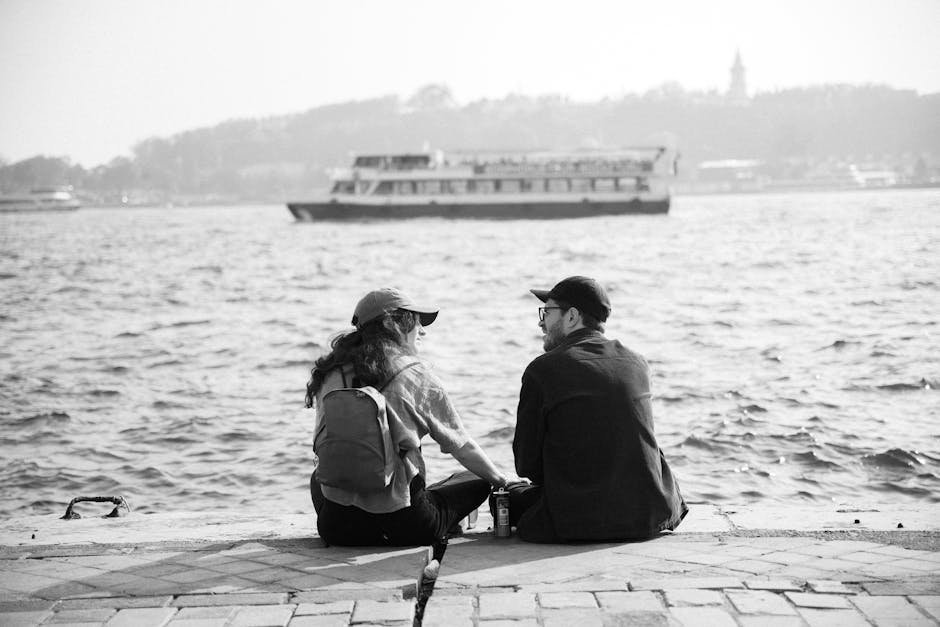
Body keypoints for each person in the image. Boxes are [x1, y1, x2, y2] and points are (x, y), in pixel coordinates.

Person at [306, 287, 508, 546]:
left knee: (317, 475)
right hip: (410, 526)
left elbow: (320, 445)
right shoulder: (415, 374)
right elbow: (463, 446)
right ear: (397, 325)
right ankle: (450, 517)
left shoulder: (331, 373)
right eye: (416, 322)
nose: (422, 330)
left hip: (338, 528)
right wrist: (502, 480)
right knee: (479, 480)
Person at [508, 276, 688, 543]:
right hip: (649, 514)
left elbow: (527, 465)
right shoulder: (637, 363)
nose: (540, 322)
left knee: (506, 496)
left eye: (547, 312)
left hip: (578, 521)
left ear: (572, 316)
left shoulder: (543, 369)